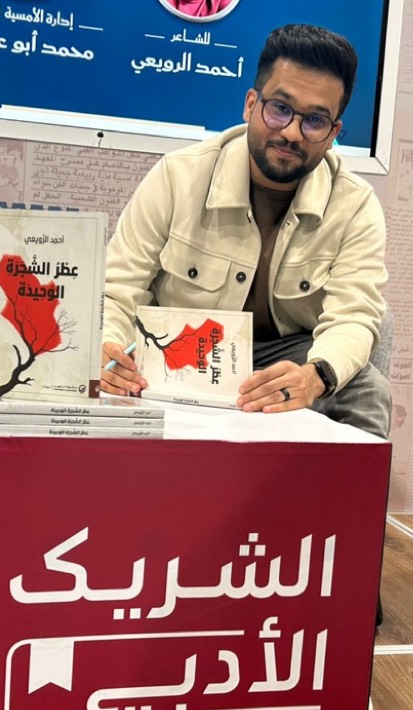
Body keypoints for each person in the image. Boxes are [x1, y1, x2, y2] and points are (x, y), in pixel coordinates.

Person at [101, 24, 391, 440]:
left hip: (288, 357)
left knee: (367, 392)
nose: (291, 132)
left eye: (314, 120)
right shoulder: (178, 176)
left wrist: (315, 376)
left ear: (333, 134)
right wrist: (108, 350)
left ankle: (349, 488)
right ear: (251, 104)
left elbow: (355, 316)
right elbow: (117, 290)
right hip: (179, 348)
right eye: (280, 109)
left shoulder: (355, 205)